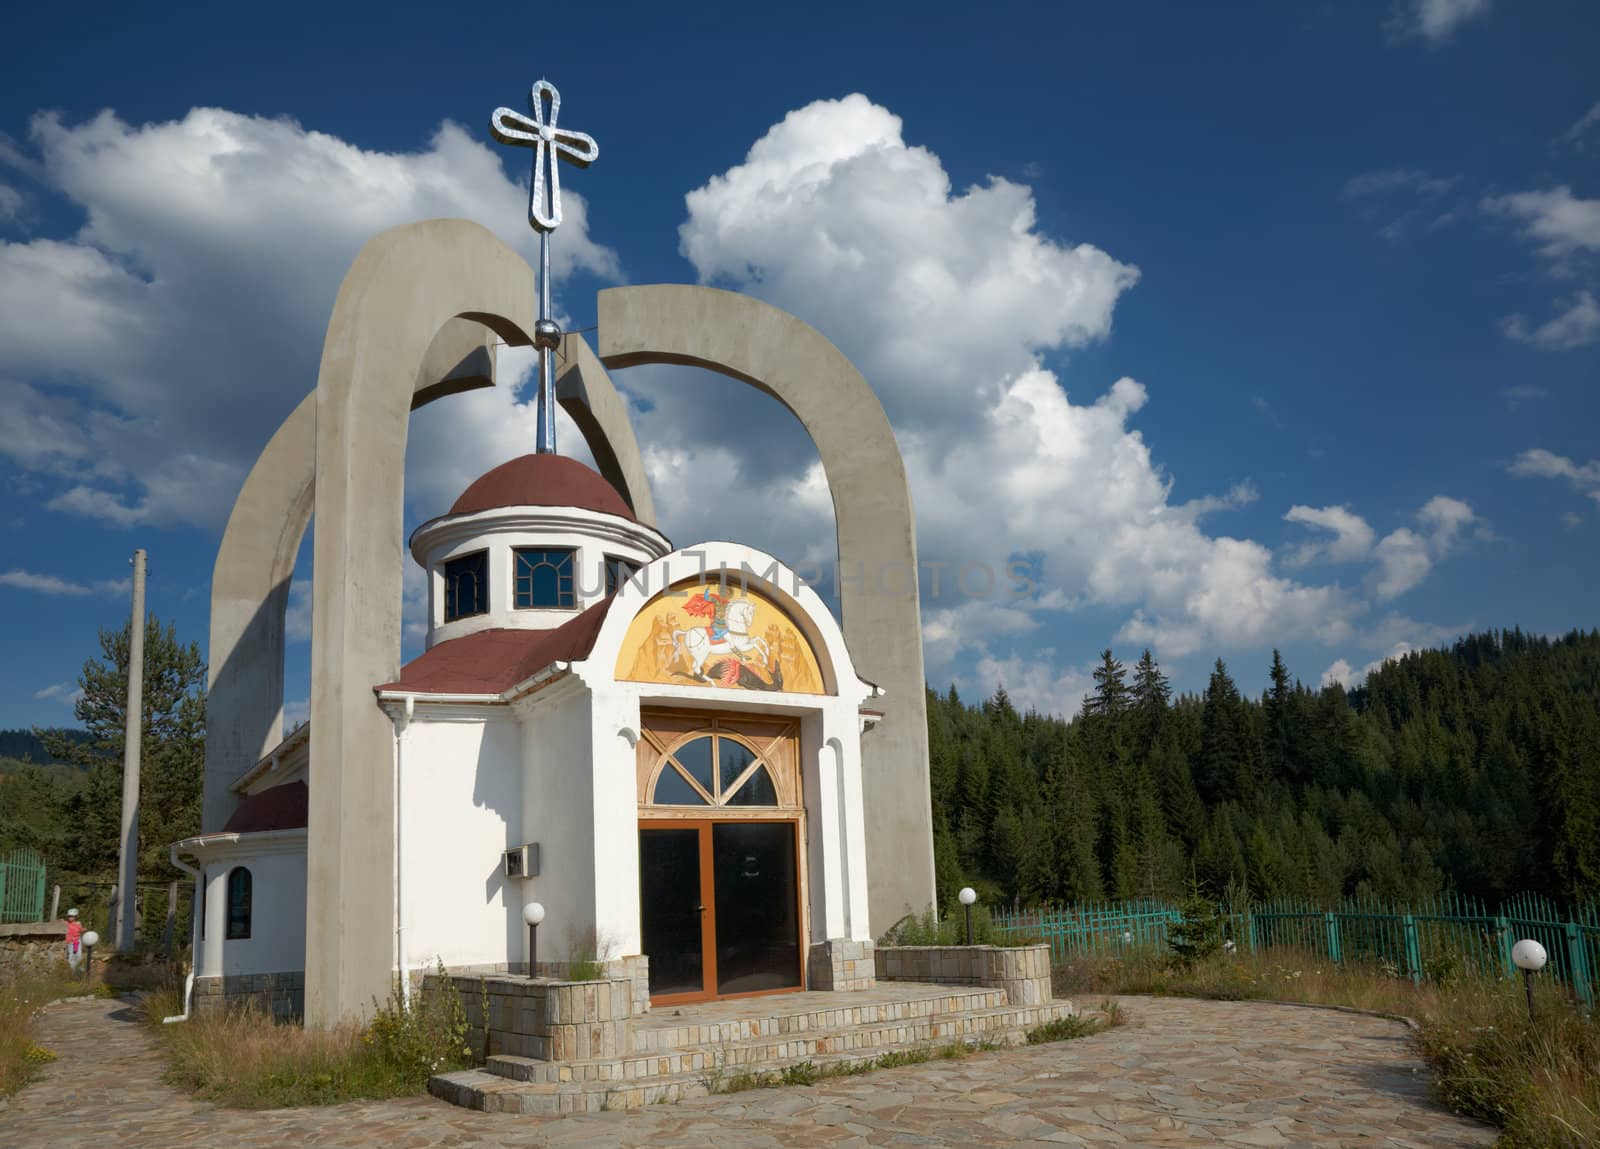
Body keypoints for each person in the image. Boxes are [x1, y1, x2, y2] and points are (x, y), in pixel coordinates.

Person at [64, 907, 85, 972]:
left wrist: (83, 929)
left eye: (72, 916)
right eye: (69, 916)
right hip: (68, 942)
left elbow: (80, 930)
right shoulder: (65, 923)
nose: (70, 918)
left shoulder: (78, 923)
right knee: (70, 956)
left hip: (76, 941)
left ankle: (80, 969)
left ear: (76, 917)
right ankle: (73, 970)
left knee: (78, 954)